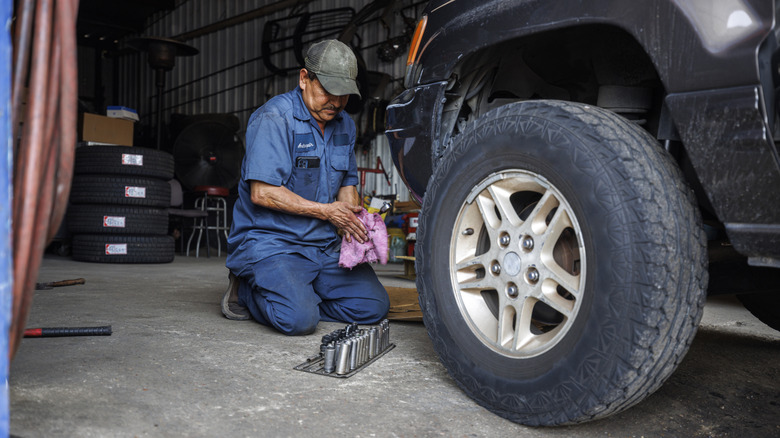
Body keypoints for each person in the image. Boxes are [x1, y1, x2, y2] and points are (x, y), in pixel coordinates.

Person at [221, 40, 390, 335]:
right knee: (298, 321)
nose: (336, 102)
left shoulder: (345, 125)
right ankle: (246, 288)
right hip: (273, 243)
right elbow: (262, 192)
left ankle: (298, 297)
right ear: (304, 78)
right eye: (328, 90)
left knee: (372, 306)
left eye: (344, 95)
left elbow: (347, 182)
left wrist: (354, 219)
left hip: (322, 245)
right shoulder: (274, 119)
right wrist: (327, 212)